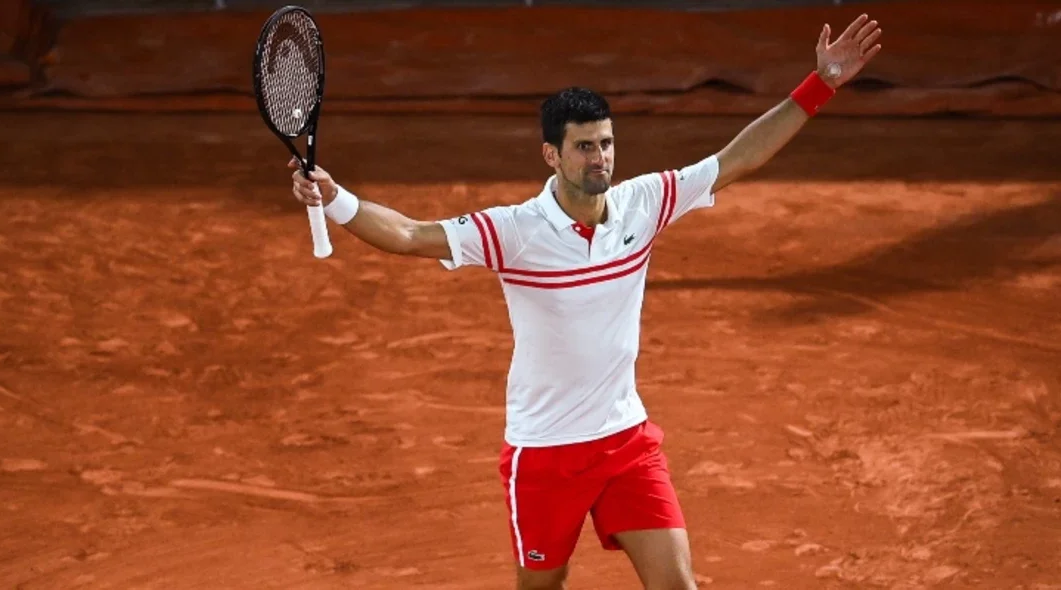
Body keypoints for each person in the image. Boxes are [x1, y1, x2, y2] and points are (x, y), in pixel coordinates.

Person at [289, 14, 882, 590]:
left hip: (626, 441)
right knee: (544, 585)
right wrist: (340, 200)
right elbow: (411, 234)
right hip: (544, 454)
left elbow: (737, 159)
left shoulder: (644, 204)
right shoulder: (515, 231)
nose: (600, 158)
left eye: (606, 144)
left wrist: (820, 84)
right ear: (552, 155)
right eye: (584, 148)